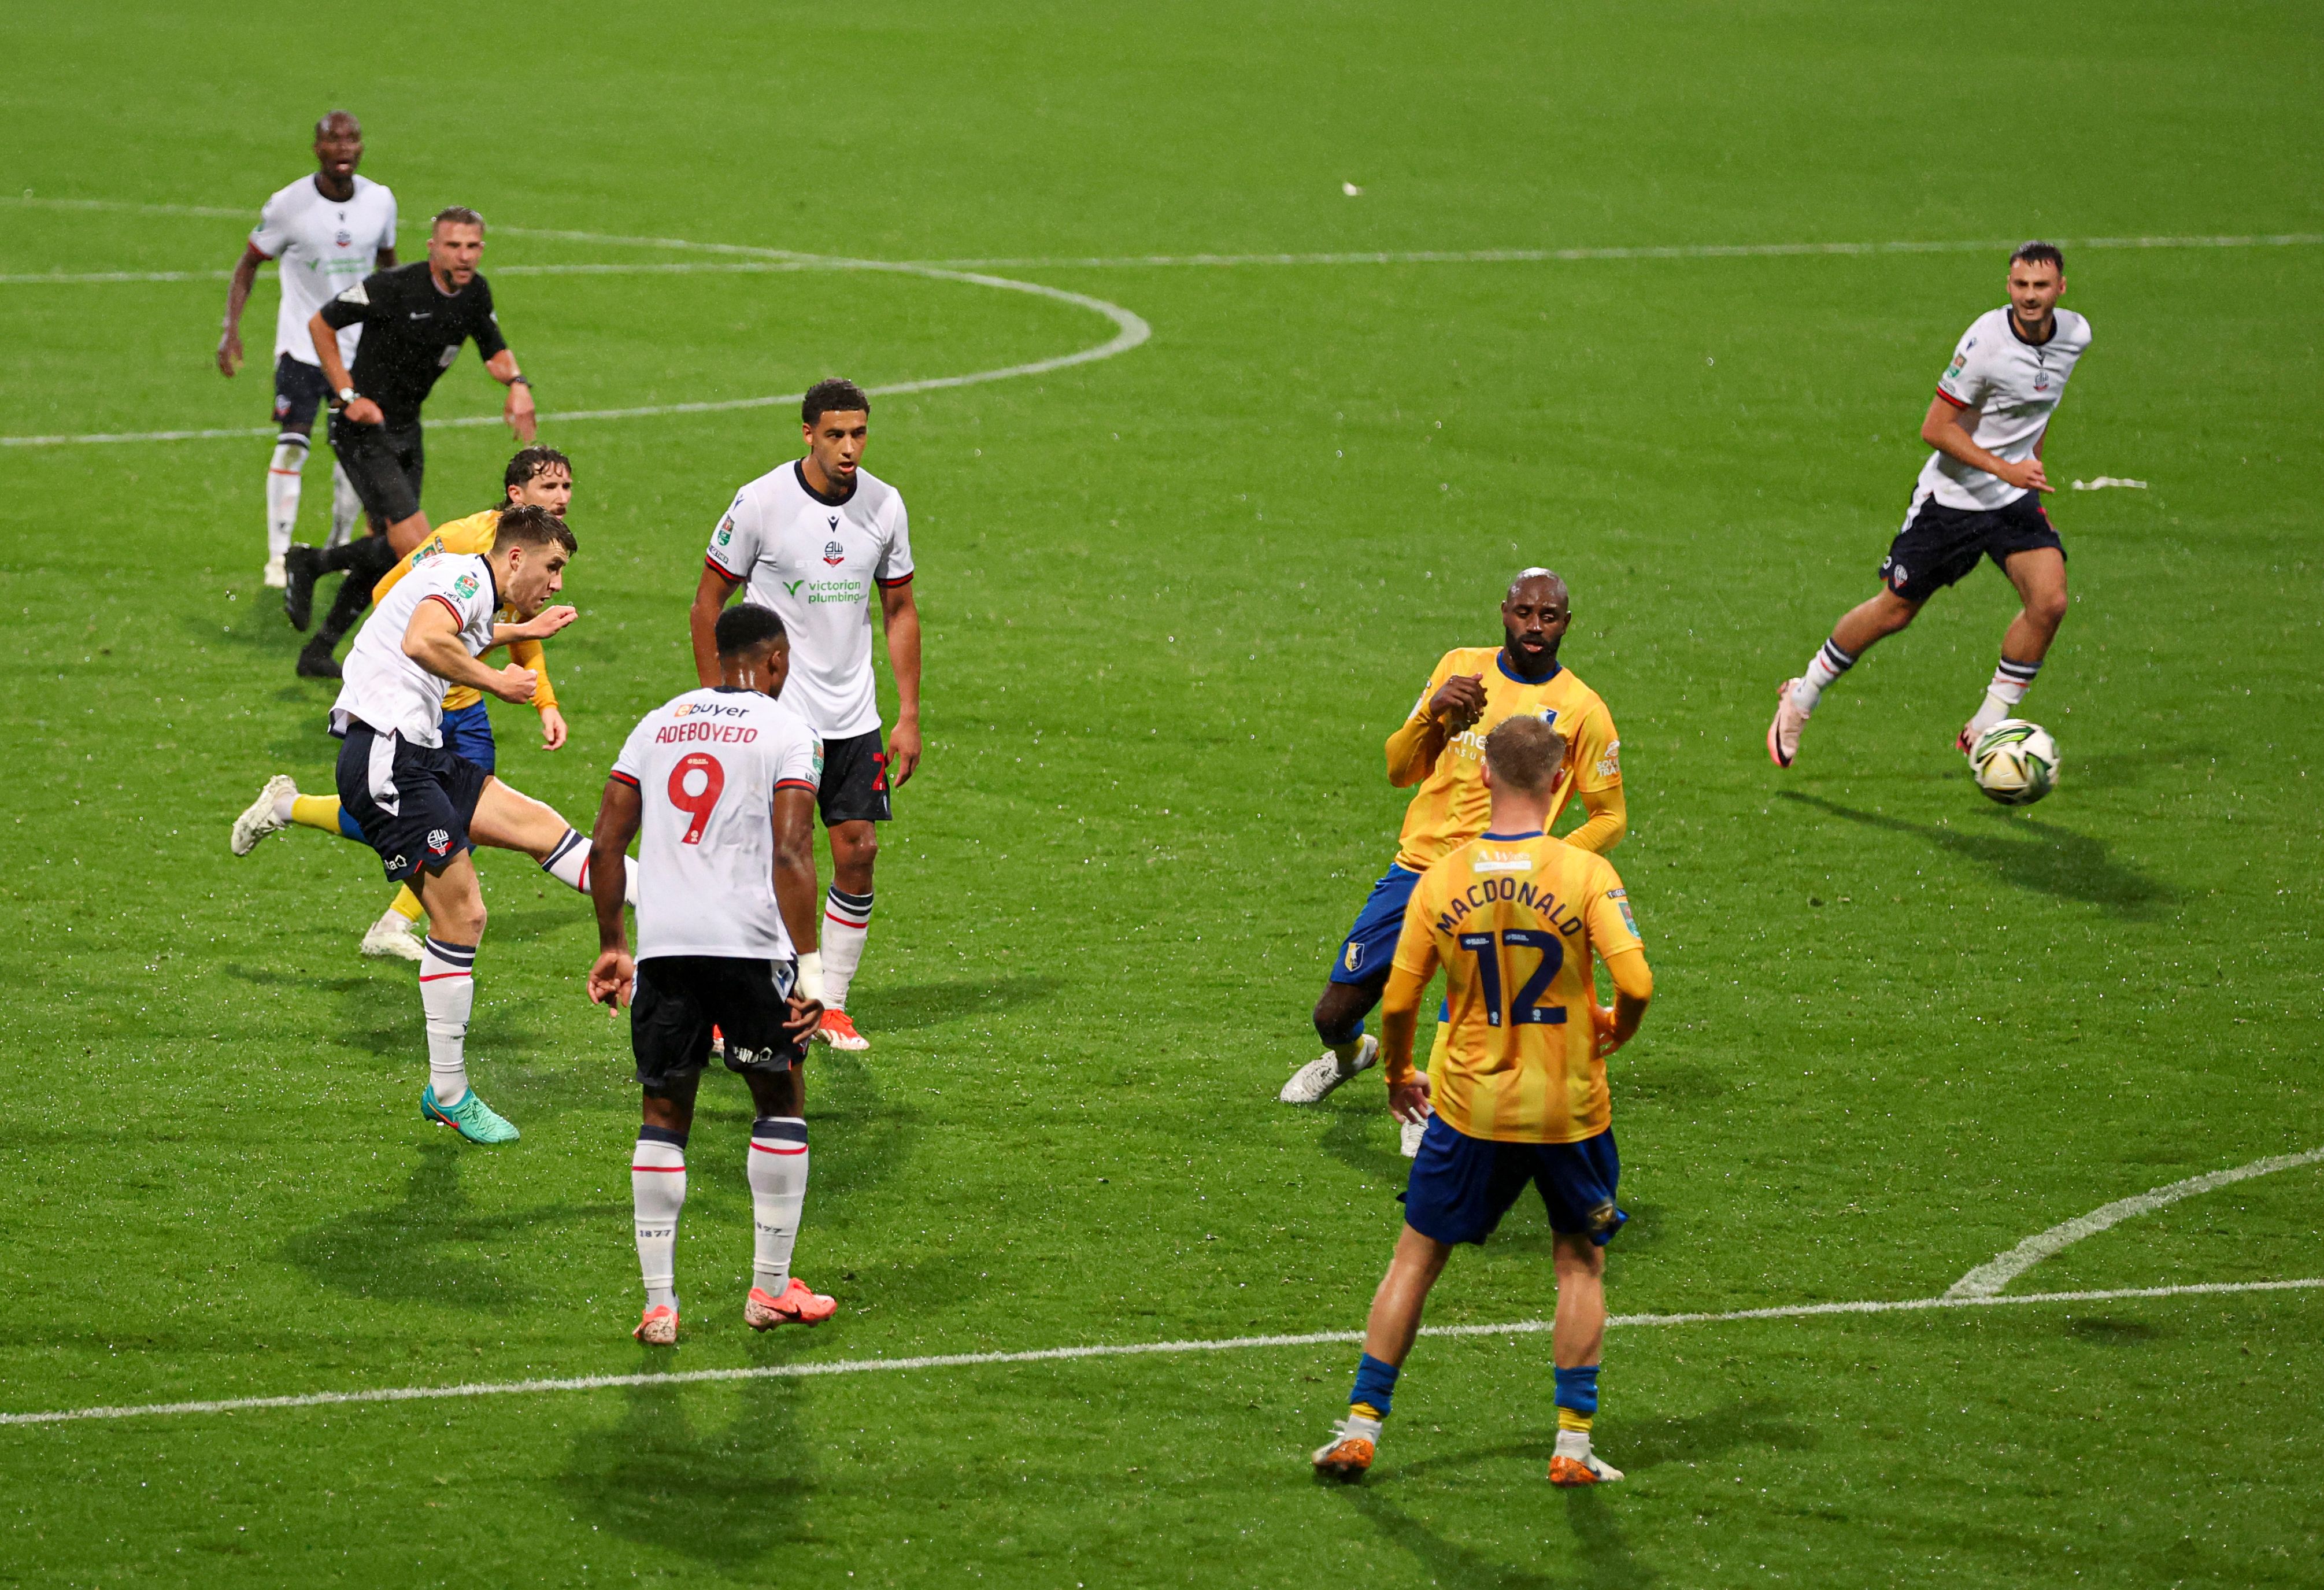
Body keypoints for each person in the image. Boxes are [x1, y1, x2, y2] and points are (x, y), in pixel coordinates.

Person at [1311, 716, 1653, 1486]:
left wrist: (1400, 1071)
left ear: (1486, 777)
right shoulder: (1586, 873)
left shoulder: (1443, 877)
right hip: (1568, 1106)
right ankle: (1570, 1447)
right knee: (1578, 1263)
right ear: (1561, 776)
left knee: (1416, 1259)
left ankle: (1362, 1427)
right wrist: (1615, 1029)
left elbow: (1399, 1000)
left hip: (1470, 1104)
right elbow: (1636, 983)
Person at [1282, 569, 1625, 1114]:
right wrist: (1431, 712)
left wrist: (1541, 860)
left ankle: (1432, 1119)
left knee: (1462, 1013)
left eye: (1549, 616)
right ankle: (1351, 1056)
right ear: (1505, 612)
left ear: (1567, 624)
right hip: (1418, 871)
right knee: (1332, 1015)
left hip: (1498, 884)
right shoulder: (1459, 668)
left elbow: (1610, 817)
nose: (1535, 626)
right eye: (1524, 613)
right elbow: (1399, 771)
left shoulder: (1584, 710)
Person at [586, 603, 837, 1345]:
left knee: (664, 1113)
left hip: (666, 948)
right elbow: (792, 852)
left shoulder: (656, 723)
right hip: (750, 945)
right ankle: (768, 1290)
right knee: (779, 1097)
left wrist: (611, 942)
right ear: (778, 661)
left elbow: (606, 843)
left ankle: (659, 1304)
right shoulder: (791, 733)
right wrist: (813, 970)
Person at [230, 447, 583, 960]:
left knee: (457, 820)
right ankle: (290, 810)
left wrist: (544, 701)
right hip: (429, 703)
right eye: (550, 488)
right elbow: (393, 594)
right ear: (516, 495)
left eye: (568, 487)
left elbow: (516, 626)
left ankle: (395, 920)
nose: (563, 498)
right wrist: (448, 664)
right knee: (396, 811)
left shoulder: (536, 554)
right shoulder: (465, 541)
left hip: (468, 705)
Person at [1768, 243, 2093, 767]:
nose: (2029, 297)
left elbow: (2041, 405)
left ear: (2061, 288)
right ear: (2008, 287)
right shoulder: (1986, 342)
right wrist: (2007, 468)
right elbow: (1935, 429)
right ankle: (1802, 695)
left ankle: (1988, 723)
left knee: (2050, 602)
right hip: (1953, 501)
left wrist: (2027, 471)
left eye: (2040, 286)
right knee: (1894, 611)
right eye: (2020, 286)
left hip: (2011, 500)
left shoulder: (2075, 336)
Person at [324, 504, 583, 1144]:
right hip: (387, 753)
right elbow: (420, 640)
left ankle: (667, 901)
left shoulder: (472, 585)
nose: (555, 584)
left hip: (417, 751)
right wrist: (497, 681)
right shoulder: (469, 575)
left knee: (540, 826)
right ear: (516, 557)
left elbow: (447, 631)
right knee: (463, 915)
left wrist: (521, 634)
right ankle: (448, 1092)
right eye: (552, 569)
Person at [688, 378, 920, 1052]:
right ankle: (731, 1000)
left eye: (860, 433)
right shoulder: (760, 502)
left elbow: (899, 609)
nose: (850, 448)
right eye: (836, 435)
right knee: (762, 858)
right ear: (808, 434)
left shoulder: (885, 504)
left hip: (855, 715)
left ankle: (830, 1002)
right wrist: (718, 701)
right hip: (775, 718)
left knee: (860, 850)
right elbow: (708, 604)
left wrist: (907, 713)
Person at [282, 205, 539, 681]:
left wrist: (518, 383)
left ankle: (318, 647)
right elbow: (321, 325)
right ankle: (314, 566)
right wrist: (346, 395)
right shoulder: (395, 286)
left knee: (389, 549)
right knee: (417, 551)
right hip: (362, 430)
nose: (464, 256)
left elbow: (494, 349)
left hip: (406, 430)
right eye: (454, 246)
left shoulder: (474, 293)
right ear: (434, 248)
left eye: (473, 246)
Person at [217, 110, 395, 589]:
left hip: (356, 353)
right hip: (300, 349)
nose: (344, 148)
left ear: (362, 146)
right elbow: (248, 264)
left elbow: (388, 269)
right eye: (333, 140)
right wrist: (230, 329)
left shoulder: (380, 202)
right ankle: (278, 557)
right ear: (317, 148)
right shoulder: (288, 205)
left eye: (352, 138)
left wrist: (393, 330)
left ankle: (336, 550)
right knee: (293, 446)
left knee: (351, 457)